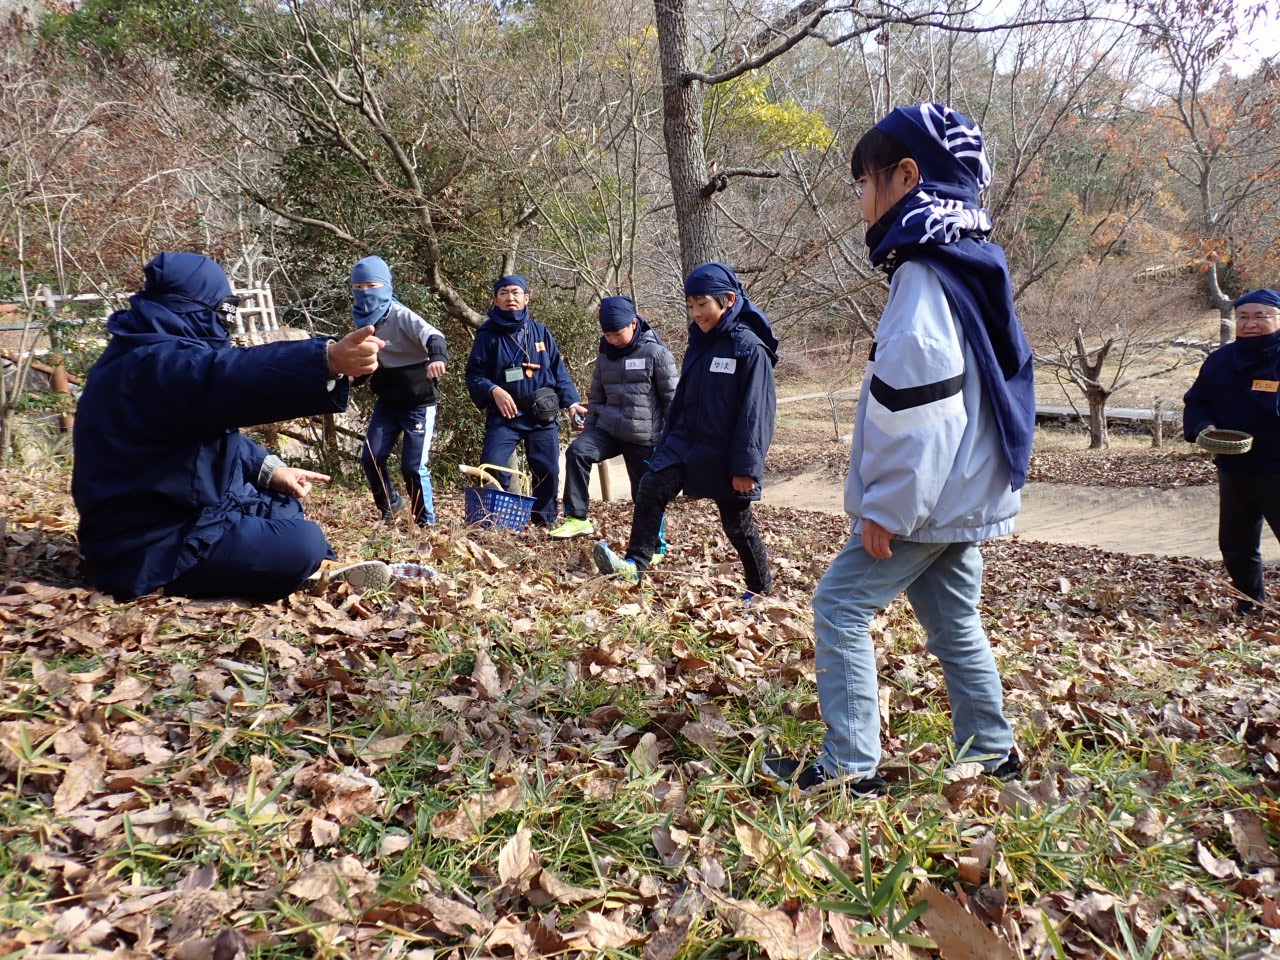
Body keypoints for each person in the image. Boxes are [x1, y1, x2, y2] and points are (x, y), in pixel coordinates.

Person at [761, 104, 1036, 796]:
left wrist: (887, 506)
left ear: (907, 176)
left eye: (863, 183)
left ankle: (849, 768)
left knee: (840, 606)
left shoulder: (922, 275)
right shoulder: (970, 261)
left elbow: (923, 407)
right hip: (967, 488)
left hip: (927, 495)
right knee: (952, 620)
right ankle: (993, 748)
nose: (860, 201)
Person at [72, 252, 390, 602]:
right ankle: (309, 570)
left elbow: (207, 424)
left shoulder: (143, 355)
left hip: (178, 511)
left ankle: (307, 568)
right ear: (198, 308)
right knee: (304, 542)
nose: (227, 322)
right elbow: (228, 376)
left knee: (280, 501)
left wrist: (271, 469)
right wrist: (326, 361)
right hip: (145, 545)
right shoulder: (156, 365)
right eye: (223, 310)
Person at [592, 263, 777, 597]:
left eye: (702, 304)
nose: (696, 314)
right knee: (651, 486)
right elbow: (681, 402)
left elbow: (756, 414)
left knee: (737, 525)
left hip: (725, 452)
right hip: (686, 444)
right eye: (690, 306)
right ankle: (635, 564)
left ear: (728, 300)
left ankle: (760, 589)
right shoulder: (699, 344)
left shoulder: (749, 348)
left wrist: (746, 467)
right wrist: (666, 445)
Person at [548, 296, 678, 549]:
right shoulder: (604, 355)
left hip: (644, 436)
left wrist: (671, 440)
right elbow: (596, 397)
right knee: (578, 452)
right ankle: (577, 517)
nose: (612, 340)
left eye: (617, 333)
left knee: (644, 495)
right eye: (607, 335)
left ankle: (655, 545)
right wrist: (590, 425)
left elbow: (673, 400)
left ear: (633, 323)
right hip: (607, 430)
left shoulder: (656, 353)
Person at [1183, 288, 1280, 615]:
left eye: (1260, 316)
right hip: (1234, 467)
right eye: (1243, 317)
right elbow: (1197, 401)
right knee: (1236, 546)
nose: (1250, 323)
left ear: (1277, 318)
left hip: (1277, 467)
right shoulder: (1220, 360)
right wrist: (1203, 428)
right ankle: (1251, 606)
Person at [464, 274, 585, 526]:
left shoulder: (540, 331)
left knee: (547, 470)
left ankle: (544, 521)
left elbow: (558, 372)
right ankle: (500, 519)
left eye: (516, 292)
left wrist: (572, 403)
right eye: (504, 293)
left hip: (542, 413)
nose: (511, 298)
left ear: (526, 298)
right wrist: (493, 390)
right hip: (505, 416)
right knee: (493, 466)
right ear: (495, 300)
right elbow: (474, 375)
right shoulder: (487, 335)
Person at [350, 256, 450, 526]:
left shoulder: (400, 314)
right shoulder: (362, 319)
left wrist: (437, 358)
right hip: (387, 402)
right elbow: (366, 362)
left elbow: (433, 335)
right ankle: (390, 506)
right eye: (358, 288)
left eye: (371, 285)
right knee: (371, 456)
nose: (365, 293)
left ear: (385, 286)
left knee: (413, 467)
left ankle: (425, 524)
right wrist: (348, 378)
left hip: (418, 402)